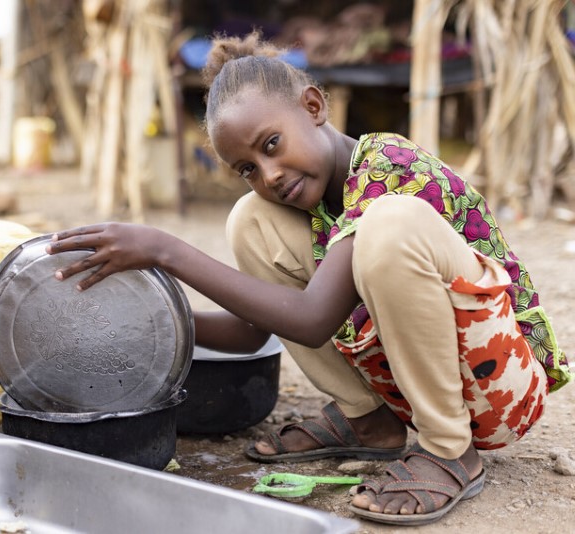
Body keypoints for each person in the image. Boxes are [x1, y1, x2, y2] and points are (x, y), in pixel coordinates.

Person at [45, 31, 570, 526]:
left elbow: (313, 321)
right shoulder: (310, 203)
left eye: (270, 145)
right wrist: (149, 322)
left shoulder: (393, 168)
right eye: (247, 168)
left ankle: (449, 451)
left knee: (388, 224)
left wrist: (164, 249)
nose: (268, 175)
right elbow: (255, 329)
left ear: (314, 108)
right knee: (250, 220)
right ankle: (370, 422)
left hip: (501, 384)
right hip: (417, 385)